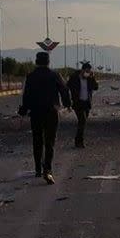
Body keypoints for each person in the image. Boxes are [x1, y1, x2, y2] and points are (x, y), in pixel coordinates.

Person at [18, 52, 71, 184]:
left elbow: (26, 95)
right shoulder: (55, 75)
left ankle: (37, 169)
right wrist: (67, 104)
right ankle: (47, 169)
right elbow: (64, 90)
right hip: (51, 112)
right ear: (48, 62)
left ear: (36, 62)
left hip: (36, 113)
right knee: (50, 142)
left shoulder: (30, 76)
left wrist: (24, 109)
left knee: (37, 140)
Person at [67, 61, 99, 148]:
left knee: (83, 123)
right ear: (82, 70)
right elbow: (67, 86)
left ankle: (79, 140)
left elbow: (96, 87)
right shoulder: (74, 78)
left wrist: (92, 78)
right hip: (78, 103)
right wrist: (68, 102)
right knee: (82, 121)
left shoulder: (89, 78)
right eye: (87, 71)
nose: (88, 73)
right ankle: (79, 142)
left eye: (89, 71)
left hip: (86, 103)